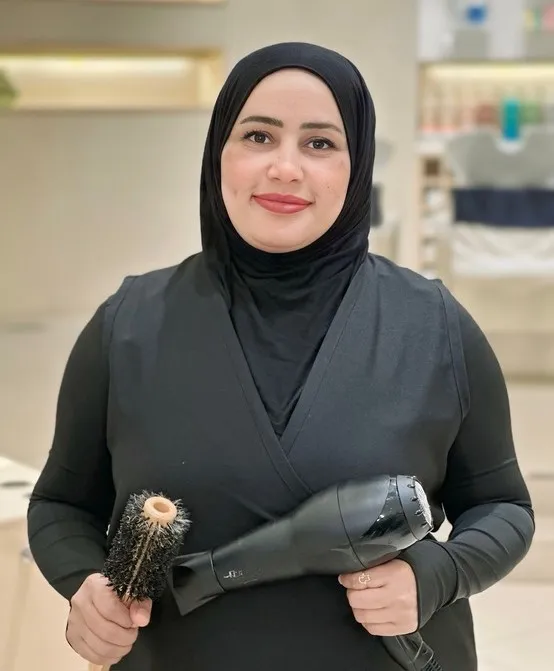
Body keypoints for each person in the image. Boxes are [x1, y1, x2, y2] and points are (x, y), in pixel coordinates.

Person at [27, 42, 534, 671]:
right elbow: (60, 505)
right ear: (219, 153)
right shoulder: (128, 326)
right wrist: (84, 586)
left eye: (319, 143)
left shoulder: (430, 326)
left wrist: (438, 573)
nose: (285, 168)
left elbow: (504, 507)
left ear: (356, 166)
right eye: (258, 136)